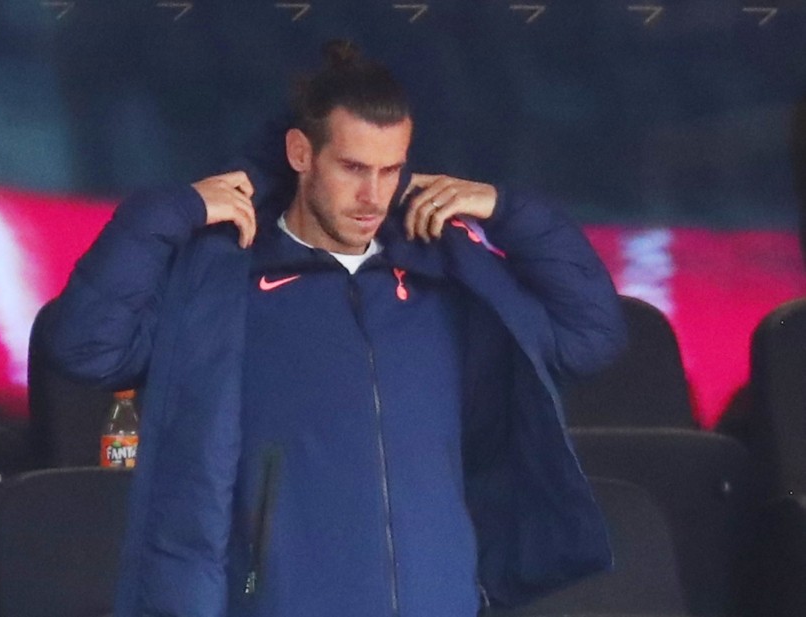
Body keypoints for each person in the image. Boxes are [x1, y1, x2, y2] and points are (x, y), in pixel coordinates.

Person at [41, 40, 626, 617]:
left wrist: (507, 211)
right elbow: (86, 347)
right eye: (352, 168)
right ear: (301, 153)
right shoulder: (225, 285)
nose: (373, 195)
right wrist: (167, 215)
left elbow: (592, 336)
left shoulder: (444, 279)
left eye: (390, 170)